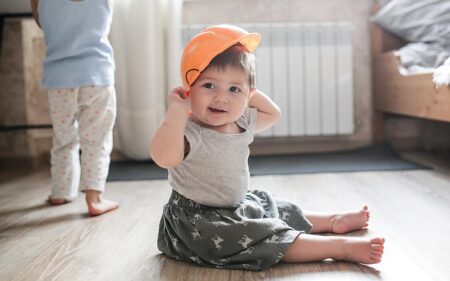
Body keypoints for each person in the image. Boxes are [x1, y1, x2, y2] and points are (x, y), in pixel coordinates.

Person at [150, 24, 385, 271]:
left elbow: (274, 113)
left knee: (270, 206)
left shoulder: (240, 120)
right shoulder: (188, 131)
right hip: (199, 222)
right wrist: (176, 111)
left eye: (233, 89)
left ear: (248, 94)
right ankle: (339, 248)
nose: (221, 98)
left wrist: (247, 90)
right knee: (264, 237)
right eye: (209, 85)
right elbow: (163, 157)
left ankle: (331, 221)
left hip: (235, 206)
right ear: (189, 88)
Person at [31, 0, 119, 216]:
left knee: (63, 138)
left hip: (58, 79)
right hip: (95, 75)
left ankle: (60, 192)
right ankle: (94, 198)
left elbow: (41, 21)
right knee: (96, 139)